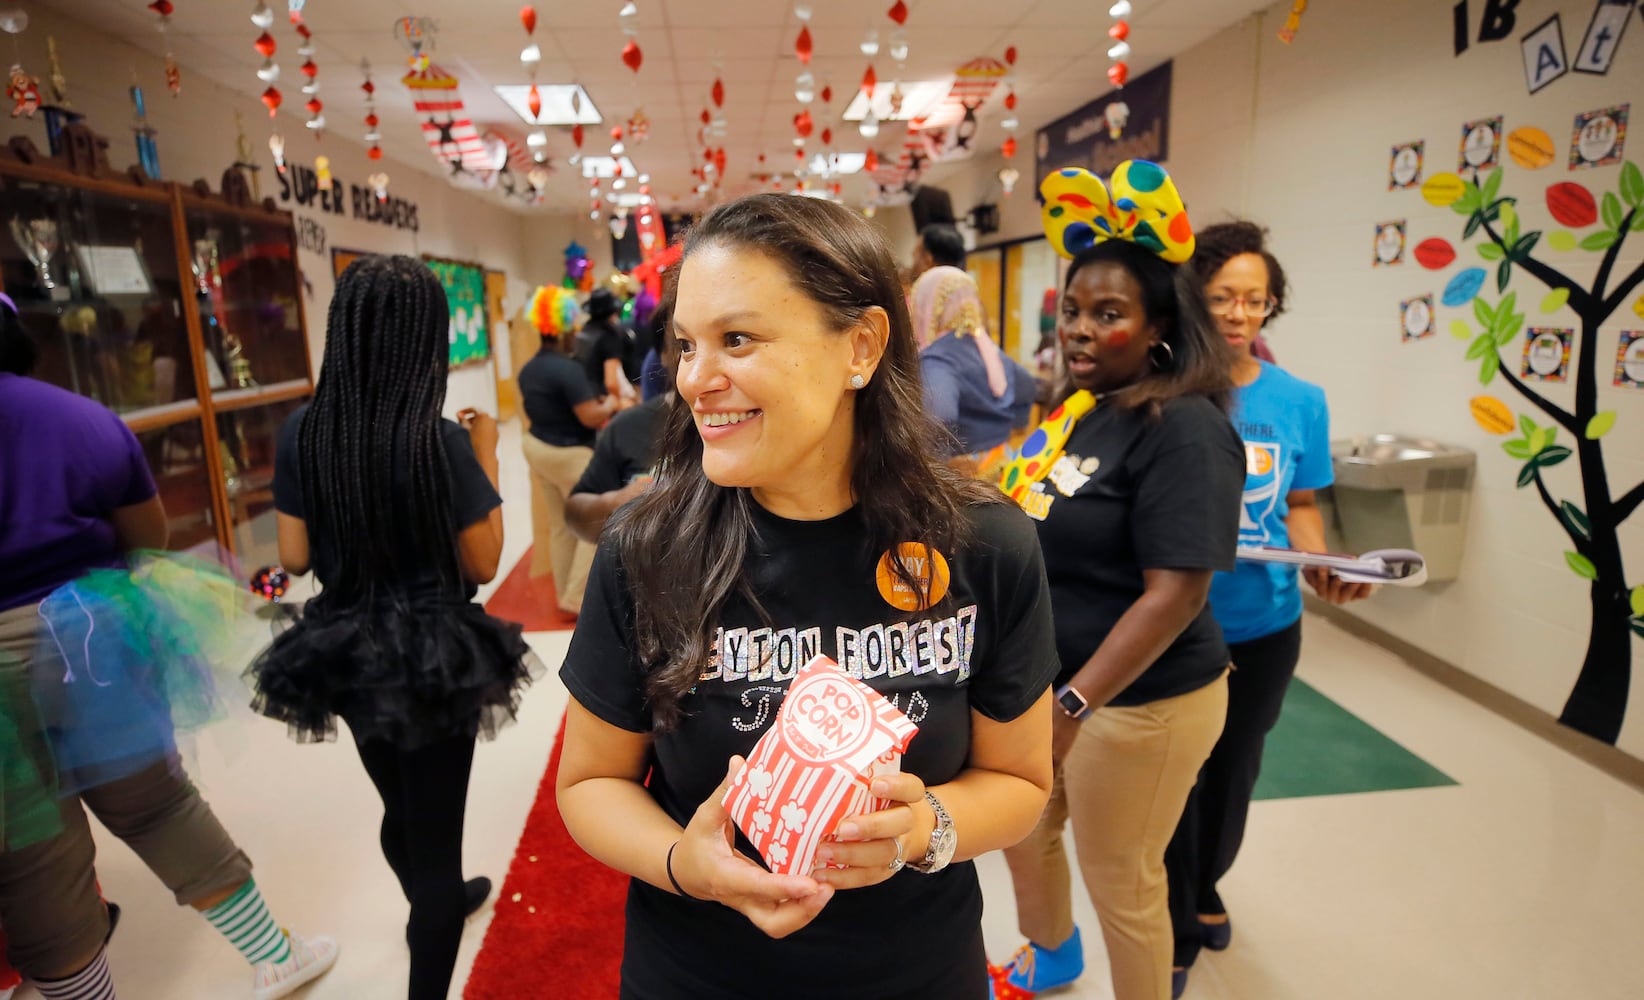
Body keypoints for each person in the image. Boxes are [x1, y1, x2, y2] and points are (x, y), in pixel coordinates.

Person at [555, 193, 1060, 999]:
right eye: (687, 344)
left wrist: (925, 828)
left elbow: (1023, 782)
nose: (695, 379)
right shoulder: (646, 550)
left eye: (738, 340)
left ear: (860, 346)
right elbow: (589, 783)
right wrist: (687, 864)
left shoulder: (985, 545)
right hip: (696, 973)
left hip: (916, 971)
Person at [0, 293, 338, 1000]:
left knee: (30, 850)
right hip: (89, 634)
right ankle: (273, 954)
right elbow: (147, 537)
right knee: (157, 802)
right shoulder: (79, 418)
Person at [247, 256, 539, 1000]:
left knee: (400, 807)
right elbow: (481, 563)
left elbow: (294, 556)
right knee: (435, 836)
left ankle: (436, 896)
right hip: (434, 655)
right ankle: (437, 908)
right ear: (427, 343)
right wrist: (484, 460)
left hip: (344, 650)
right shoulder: (435, 440)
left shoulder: (302, 434)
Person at [990, 162, 1244, 1000]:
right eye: (1072, 311)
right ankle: (1051, 951)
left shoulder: (1187, 430)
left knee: (1122, 877)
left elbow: (1176, 593)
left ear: (1160, 327)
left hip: (1140, 701)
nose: (1079, 330)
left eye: (1108, 314)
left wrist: (1072, 707)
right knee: (1023, 826)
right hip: (1057, 680)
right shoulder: (1084, 410)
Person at [1164, 221, 1372, 994]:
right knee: (1176, 777)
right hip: (1175, 627)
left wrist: (1322, 565)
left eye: (1255, 299)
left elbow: (1304, 502)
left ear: (1271, 306)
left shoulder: (1299, 401)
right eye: (1223, 297)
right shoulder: (1169, 392)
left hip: (1265, 625)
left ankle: (1206, 881)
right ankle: (1178, 917)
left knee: (1233, 771)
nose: (1240, 313)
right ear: (1195, 299)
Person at [518, 317, 621, 615]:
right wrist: (612, 405)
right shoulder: (568, 368)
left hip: (536, 447)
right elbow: (590, 416)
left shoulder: (530, 367)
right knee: (594, 519)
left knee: (559, 524)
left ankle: (565, 591)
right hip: (568, 453)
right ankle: (576, 595)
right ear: (563, 331)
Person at [565, 293, 676, 544]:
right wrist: (617, 502)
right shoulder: (630, 428)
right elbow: (611, 379)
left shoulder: (586, 334)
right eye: (685, 345)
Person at [909, 266, 1017, 460]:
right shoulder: (986, 348)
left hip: (970, 477)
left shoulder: (938, 357)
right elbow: (1027, 386)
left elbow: (940, 418)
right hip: (1004, 464)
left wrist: (934, 466)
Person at [576, 287, 638, 404]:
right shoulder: (609, 336)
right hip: (601, 399)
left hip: (581, 395)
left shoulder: (583, 331)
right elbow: (611, 382)